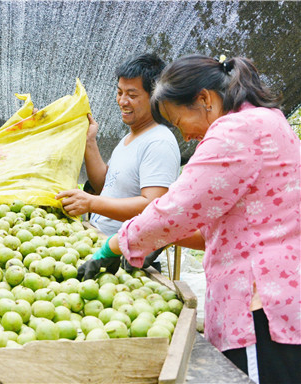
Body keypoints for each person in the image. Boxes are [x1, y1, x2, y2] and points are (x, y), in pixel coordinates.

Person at [78, 55, 300, 383]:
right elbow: (224, 227)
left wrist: (115, 244)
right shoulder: (265, 121)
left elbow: (174, 209)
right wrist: (155, 237)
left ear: (204, 100)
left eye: (179, 122)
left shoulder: (234, 132)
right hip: (279, 295)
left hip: (258, 306)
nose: (185, 137)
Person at [56, 53, 181, 270]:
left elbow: (153, 206)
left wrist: (91, 203)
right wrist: (89, 141)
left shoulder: (159, 142)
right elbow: (105, 185)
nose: (122, 101)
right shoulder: (130, 138)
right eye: (119, 92)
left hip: (125, 260)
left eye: (132, 94)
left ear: (155, 96)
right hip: (102, 247)